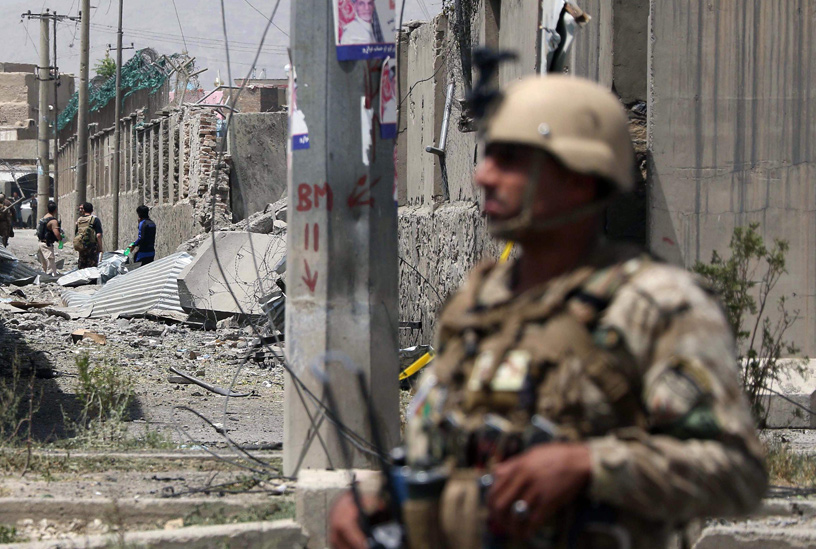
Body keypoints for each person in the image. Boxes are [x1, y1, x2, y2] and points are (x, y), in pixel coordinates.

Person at [328, 76, 766, 549]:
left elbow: (736, 473)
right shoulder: (478, 306)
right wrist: (381, 496)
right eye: (487, 156)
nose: (484, 175)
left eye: (510, 160)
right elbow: (437, 449)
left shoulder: (655, 305)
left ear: (579, 178)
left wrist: (589, 465)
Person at [74, 202, 103, 269]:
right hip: (92, 247)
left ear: (83, 210)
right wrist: (100, 248)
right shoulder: (95, 220)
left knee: (82, 267)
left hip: (82, 246)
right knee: (92, 268)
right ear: (92, 210)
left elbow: (76, 233)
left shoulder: (79, 220)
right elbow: (98, 235)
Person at [36, 201, 61, 276]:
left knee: (44, 263)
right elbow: (56, 232)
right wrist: (60, 239)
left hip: (41, 243)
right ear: (56, 210)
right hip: (47, 245)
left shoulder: (44, 218)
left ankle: (45, 276)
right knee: (50, 261)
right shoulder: (53, 221)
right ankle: (50, 277)